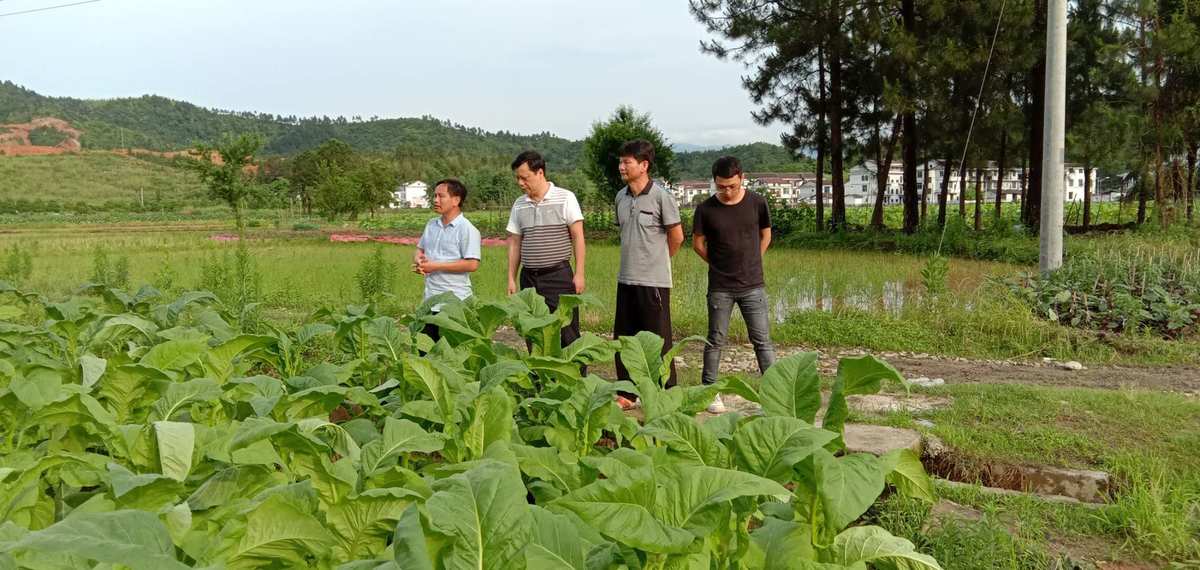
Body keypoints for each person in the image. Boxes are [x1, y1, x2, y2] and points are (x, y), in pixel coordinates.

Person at [691, 156, 776, 413]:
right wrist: (717, 264)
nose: (727, 191)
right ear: (714, 182)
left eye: (732, 186)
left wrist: (753, 260)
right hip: (720, 287)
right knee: (715, 340)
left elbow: (766, 235)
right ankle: (710, 392)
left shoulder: (757, 202)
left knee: (762, 341)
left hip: (753, 285)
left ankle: (775, 396)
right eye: (721, 187)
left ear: (741, 178)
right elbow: (697, 244)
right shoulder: (705, 209)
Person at [612, 139, 684, 408]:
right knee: (624, 339)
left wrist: (657, 261)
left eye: (627, 162)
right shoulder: (620, 197)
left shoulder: (661, 197)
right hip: (625, 279)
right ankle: (627, 394)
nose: (622, 166)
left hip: (653, 282)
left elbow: (677, 237)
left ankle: (666, 394)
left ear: (644, 165)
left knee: (659, 341)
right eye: (620, 161)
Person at [505, 150, 587, 349]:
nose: (520, 183)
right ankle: (539, 380)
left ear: (540, 172)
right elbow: (515, 242)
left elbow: (578, 236)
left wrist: (579, 273)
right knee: (533, 332)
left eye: (525, 178)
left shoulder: (565, 197)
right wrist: (511, 278)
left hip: (558, 276)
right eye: (518, 178)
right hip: (529, 278)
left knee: (567, 330)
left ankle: (575, 378)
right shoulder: (519, 204)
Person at [413, 178, 482, 342]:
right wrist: (419, 261)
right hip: (429, 302)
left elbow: (472, 264)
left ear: (456, 200)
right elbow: (419, 249)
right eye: (434, 195)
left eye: (441, 196)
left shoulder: (467, 229)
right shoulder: (431, 225)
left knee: (452, 353)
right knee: (426, 352)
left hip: (455, 304)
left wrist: (434, 266)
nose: (435, 200)